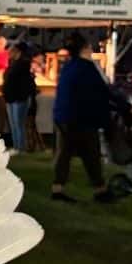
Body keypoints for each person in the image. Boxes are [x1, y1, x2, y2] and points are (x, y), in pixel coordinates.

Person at [50, 34, 114, 203]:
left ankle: (57, 188)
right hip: (81, 117)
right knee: (91, 153)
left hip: (63, 115)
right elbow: (103, 91)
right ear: (84, 49)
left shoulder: (68, 66)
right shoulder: (87, 67)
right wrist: (125, 107)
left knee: (64, 153)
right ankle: (100, 190)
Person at [2, 42, 37, 153]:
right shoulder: (13, 63)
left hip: (19, 98)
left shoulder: (23, 64)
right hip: (10, 97)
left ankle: (20, 147)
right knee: (13, 124)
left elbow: (20, 82)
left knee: (18, 124)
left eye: (11, 51)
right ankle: (16, 146)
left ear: (17, 51)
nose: (9, 53)